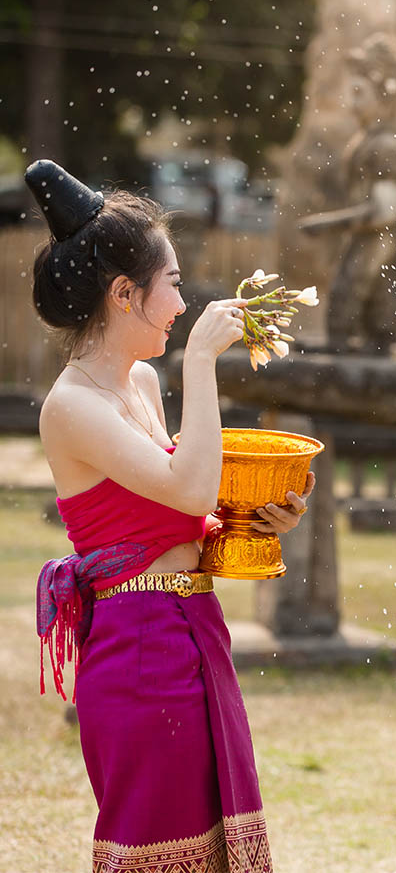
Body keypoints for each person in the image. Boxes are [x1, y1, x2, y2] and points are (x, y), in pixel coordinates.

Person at [27, 159, 312, 873]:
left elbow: (187, 519)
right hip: (136, 654)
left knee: (219, 848)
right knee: (159, 849)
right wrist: (205, 368)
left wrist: (249, 523)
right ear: (125, 294)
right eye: (174, 285)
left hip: (196, 634)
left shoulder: (142, 382)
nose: (184, 305)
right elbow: (188, 491)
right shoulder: (72, 406)